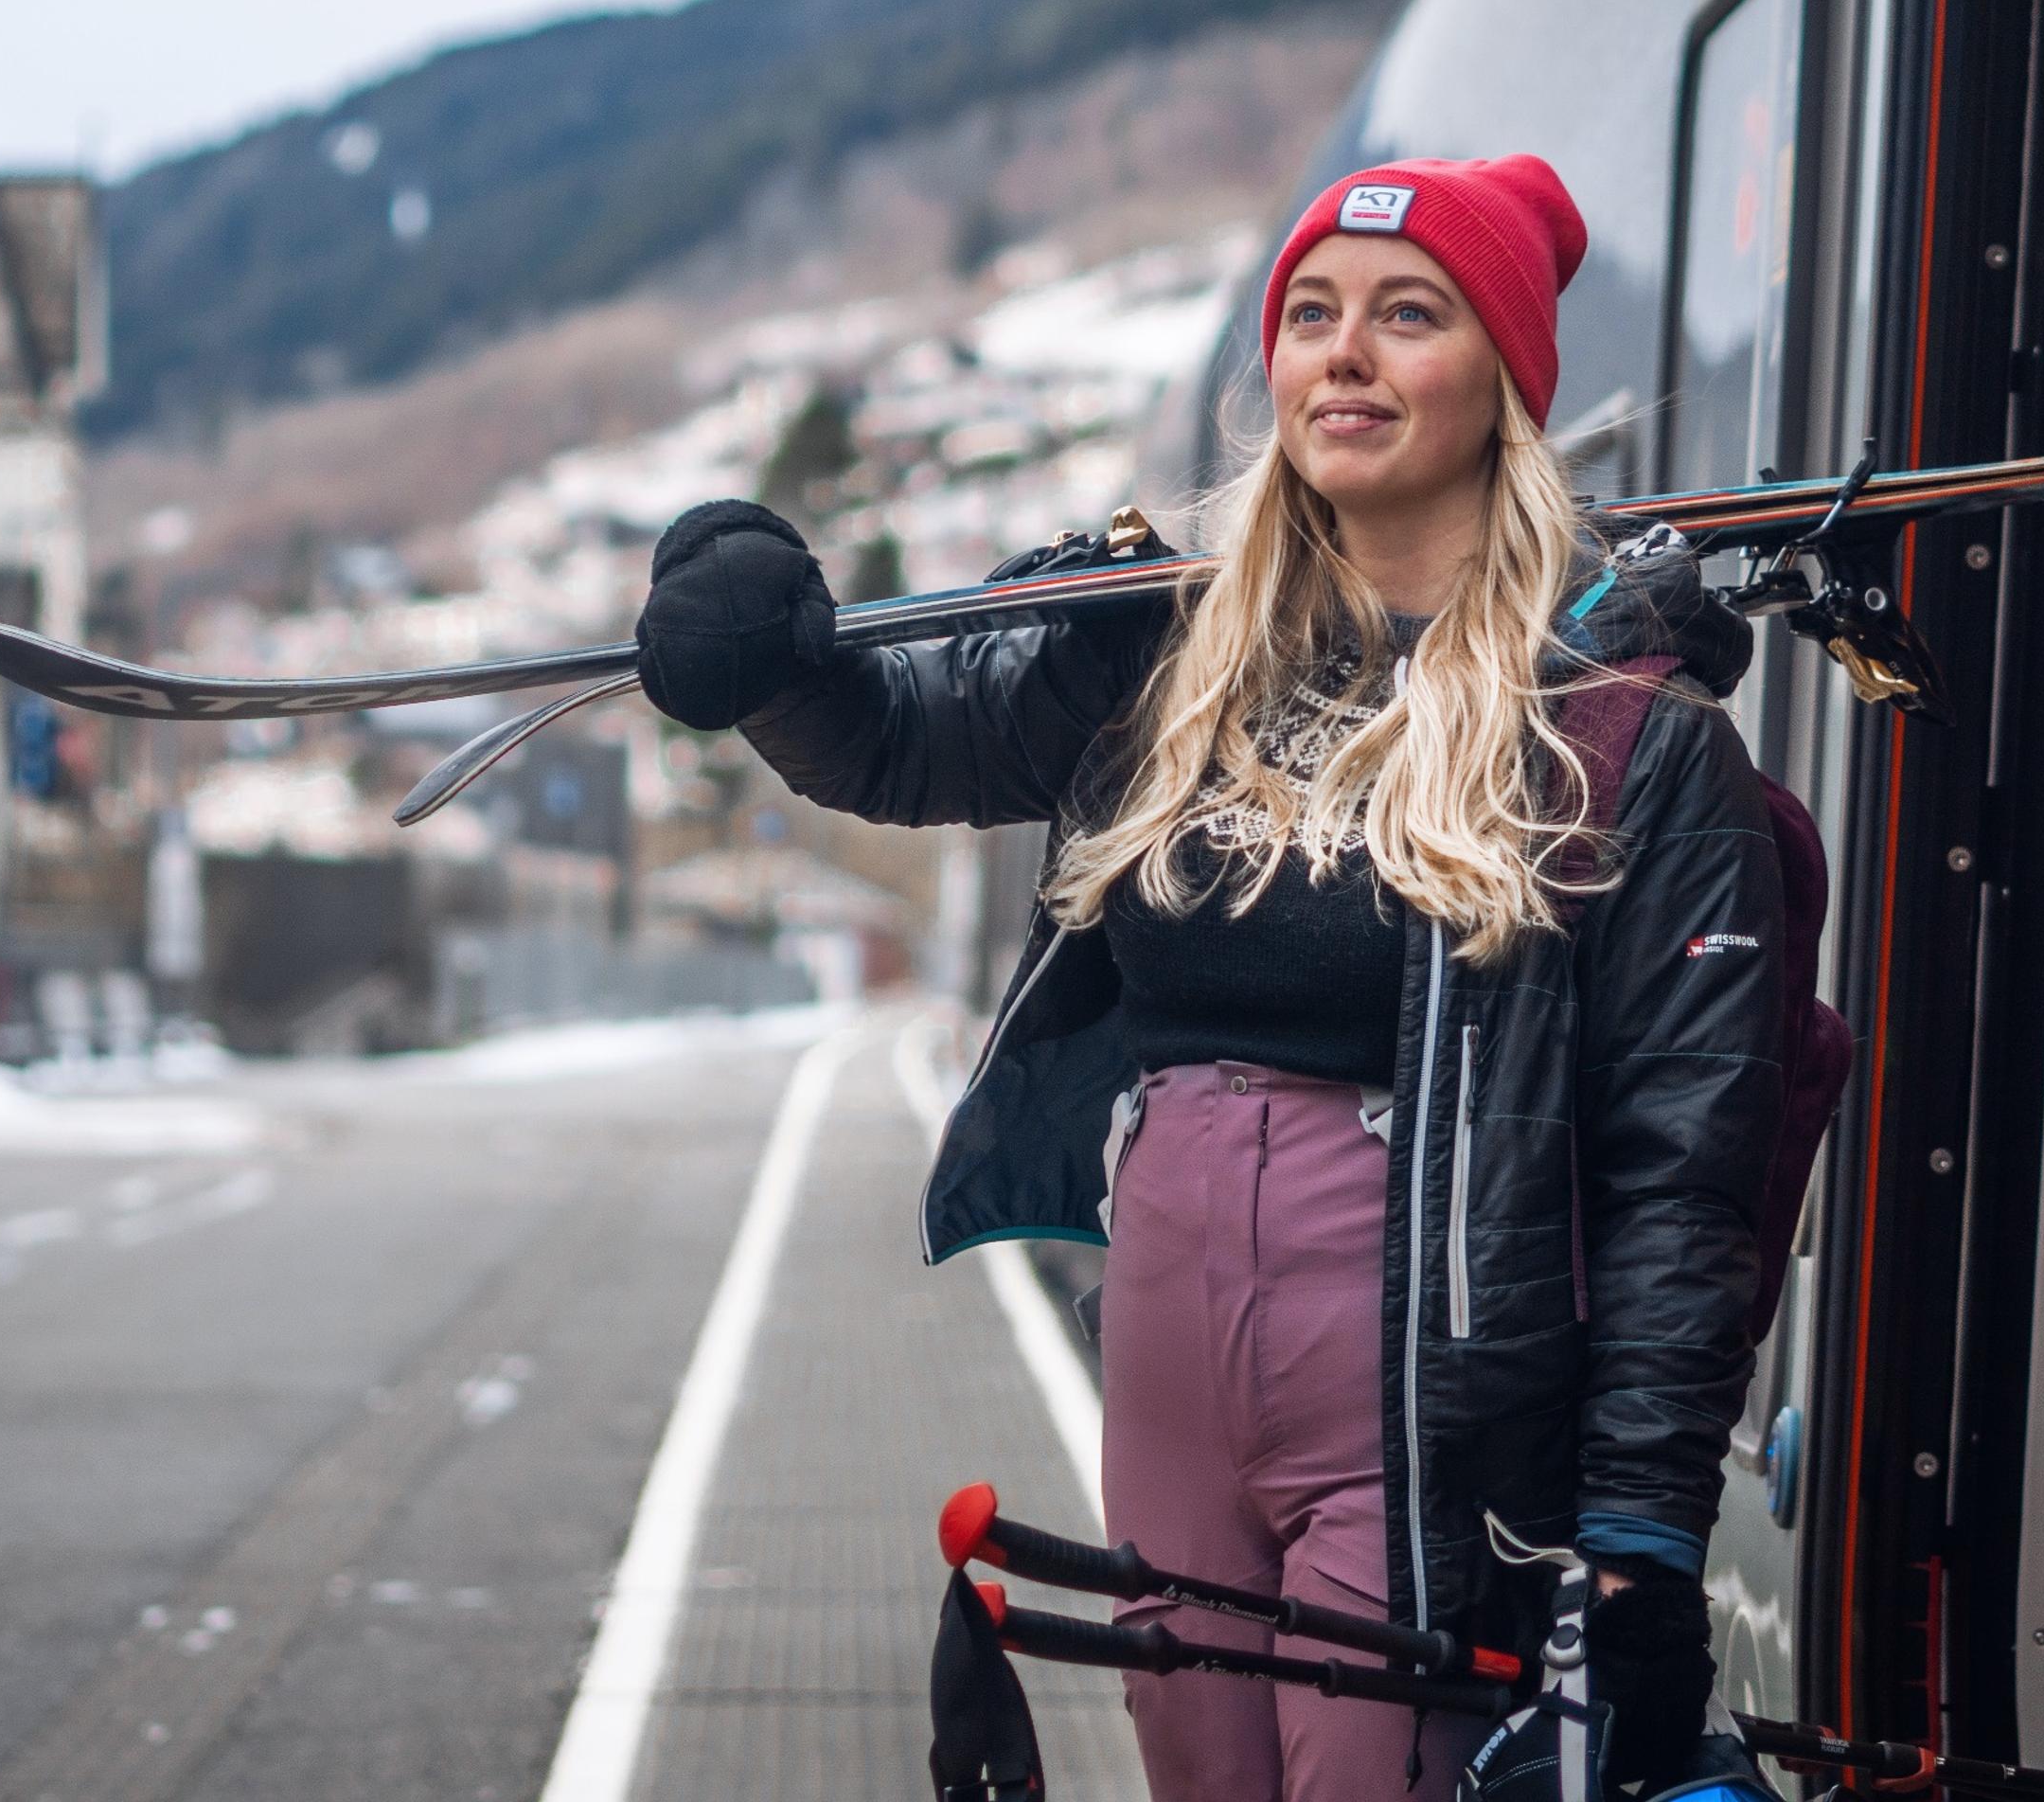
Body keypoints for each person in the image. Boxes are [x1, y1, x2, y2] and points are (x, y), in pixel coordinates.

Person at [631, 154, 1786, 1802]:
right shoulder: (1166, 652)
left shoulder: (1618, 733)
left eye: (1410, 314)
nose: (1346, 353)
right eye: (1312, 314)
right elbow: (903, 738)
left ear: (1506, 378)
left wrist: (1642, 1537)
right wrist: (766, 652)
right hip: (1170, 1364)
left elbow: (1689, 1169)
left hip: (1421, 1401)